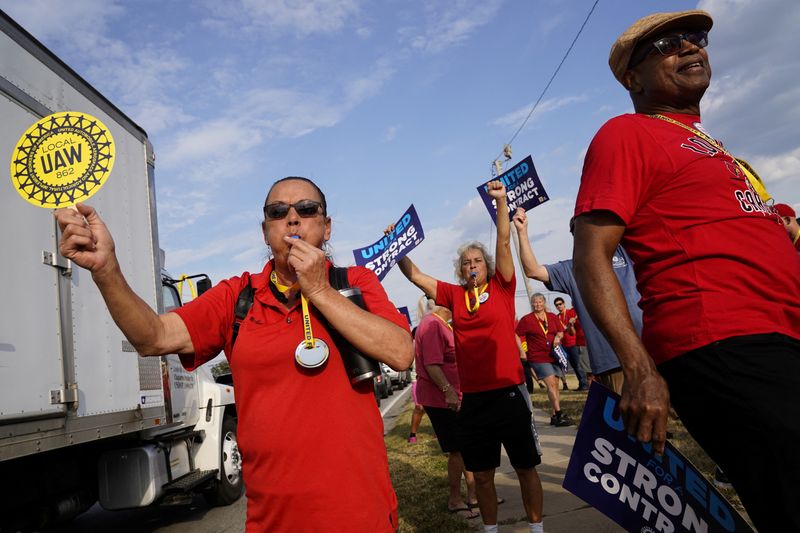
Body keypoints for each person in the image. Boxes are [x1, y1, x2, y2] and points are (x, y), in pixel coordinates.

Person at [55, 176, 414, 532]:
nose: (292, 219)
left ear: (327, 226)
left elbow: (400, 353)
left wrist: (319, 289)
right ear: (265, 231)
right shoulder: (237, 297)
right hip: (273, 523)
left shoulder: (355, 283)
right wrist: (106, 270)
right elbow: (153, 337)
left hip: (361, 517)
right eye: (278, 211)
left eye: (306, 209)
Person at [571, 10, 800, 531]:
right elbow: (590, 255)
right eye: (669, 45)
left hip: (778, 336)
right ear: (633, 78)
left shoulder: (712, 147)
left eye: (696, 39)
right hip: (725, 342)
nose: (691, 48)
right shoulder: (627, 133)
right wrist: (639, 368)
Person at [394, 180, 545, 533]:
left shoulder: (502, 287)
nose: (472, 265)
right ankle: (491, 529)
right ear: (459, 269)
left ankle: (536, 529)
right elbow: (415, 276)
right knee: (482, 473)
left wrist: (501, 202)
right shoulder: (453, 295)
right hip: (473, 400)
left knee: (525, 467)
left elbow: (503, 242)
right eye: (466, 262)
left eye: (477, 260)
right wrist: (396, 248)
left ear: (487, 265)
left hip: (509, 392)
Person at [512, 208, 643, 394]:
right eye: (578, 228)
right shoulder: (571, 269)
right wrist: (522, 231)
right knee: (632, 421)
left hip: (653, 351)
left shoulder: (626, 252)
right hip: (613, 362)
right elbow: (533, 270)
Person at [413, 297, 479, 519]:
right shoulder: (431, 325)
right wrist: (448, 391)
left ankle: (473, 495)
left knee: (466, 446)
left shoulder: (440, 324)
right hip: (441, 398)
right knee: (457, 449)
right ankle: (455, 499)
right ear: (445, 306)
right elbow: (432, 364)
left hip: (453, 395)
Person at [515, 294, 572, 427]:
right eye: (535, 302)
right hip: (538, 357)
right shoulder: (527, 319)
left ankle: (553, 415)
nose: (538, 304)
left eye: (540, 301)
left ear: (544, 302)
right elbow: (516, 334)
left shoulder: (552, 316)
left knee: (556, 385)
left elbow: (561, 331)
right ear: (532, 304)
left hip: (554, 355)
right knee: (551, 383)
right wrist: (522, 351)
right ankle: (559, 414)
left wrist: (558, 337)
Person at [552, 297, 587, 390]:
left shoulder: (570, 313)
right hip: (564, 345)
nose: (559, 306)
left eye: (560, 304)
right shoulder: (557, 317)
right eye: (557, 305)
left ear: (564, 304)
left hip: (574, 343)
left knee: (578, 365)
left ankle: (585, 385)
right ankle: (581, 384)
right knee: (574, 366)